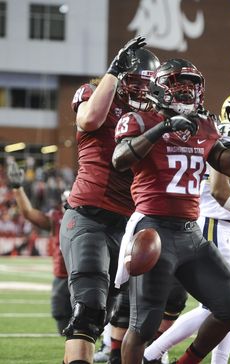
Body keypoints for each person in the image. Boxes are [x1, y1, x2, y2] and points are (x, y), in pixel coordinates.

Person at [112, 58, 230, 364]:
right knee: (144, 325)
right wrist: (162, 128)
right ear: (161, 89)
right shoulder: (140, 119)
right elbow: (120, 159)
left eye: (192, 86)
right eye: (179, 85)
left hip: (190, 233)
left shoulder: (203, 125)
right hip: (153, 229)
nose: (187, 92)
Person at [143, 92, 230, 364]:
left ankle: (168, 354)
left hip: (219, 226)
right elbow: (219, 191)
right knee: (220, 305)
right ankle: (153, 353)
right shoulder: (226, 140)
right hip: (212, 224)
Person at [59, 36, 161, 364]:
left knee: (126, 315)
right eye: (135, 82)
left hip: (130, 225)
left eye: (148, 85)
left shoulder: (153, 117)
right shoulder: (95, 95)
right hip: (90, 214)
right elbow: (89, 120)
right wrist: (113, 72)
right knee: (89, 311)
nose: (143, 91)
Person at [6, 160, 72, 335]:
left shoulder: (91, 217)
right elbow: (28, 213)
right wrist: (18, 188)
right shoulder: (56, 217)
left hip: (84, 276)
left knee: (92, 318)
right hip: (62, 275)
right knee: (60, 317)